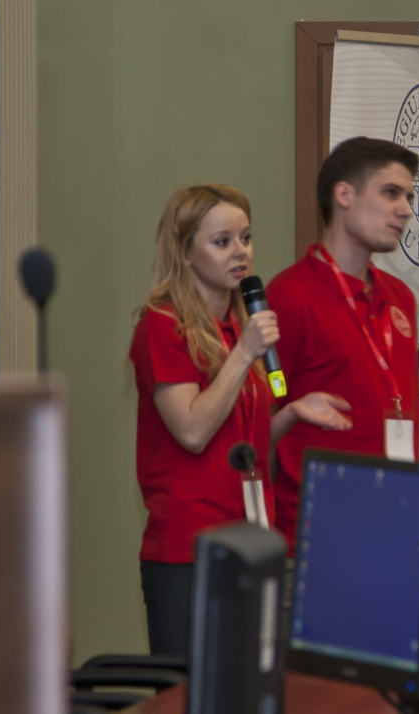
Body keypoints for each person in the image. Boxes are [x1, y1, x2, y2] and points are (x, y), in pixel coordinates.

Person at [129, 184, 347, 655]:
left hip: (250, 540)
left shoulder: (237, 326)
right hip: (189, 549)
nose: (240, 252)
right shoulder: (163, 325)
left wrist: (291, 412)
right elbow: (192, 430)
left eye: (245, 238)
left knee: (251, 683)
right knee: (191, 689)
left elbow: (244, 447)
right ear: (185, 253)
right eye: (222, 241)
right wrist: (245, 353)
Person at [267, 137, 419, 555]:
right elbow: (262, 420)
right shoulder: (289, 296)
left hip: (395, 524)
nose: (405, 209)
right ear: (344, 194)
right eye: (390, 192)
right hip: (318, 534)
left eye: (408, 197)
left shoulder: (401, 297)